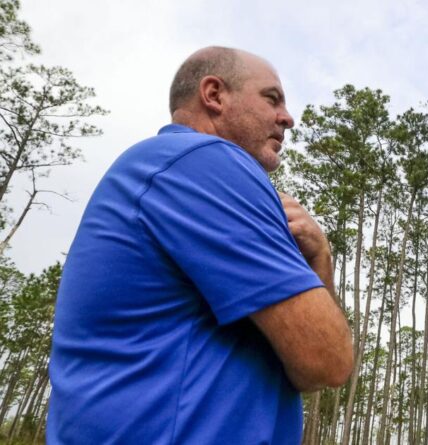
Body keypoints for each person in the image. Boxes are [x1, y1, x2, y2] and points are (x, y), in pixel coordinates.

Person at [47, 47, 354, 444]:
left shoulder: (161, 168)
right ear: (214, 95)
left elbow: (307, 372)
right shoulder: (204, 160)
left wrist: (320, 257)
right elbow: (327, 361)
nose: (287, 118)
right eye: (271, 98)